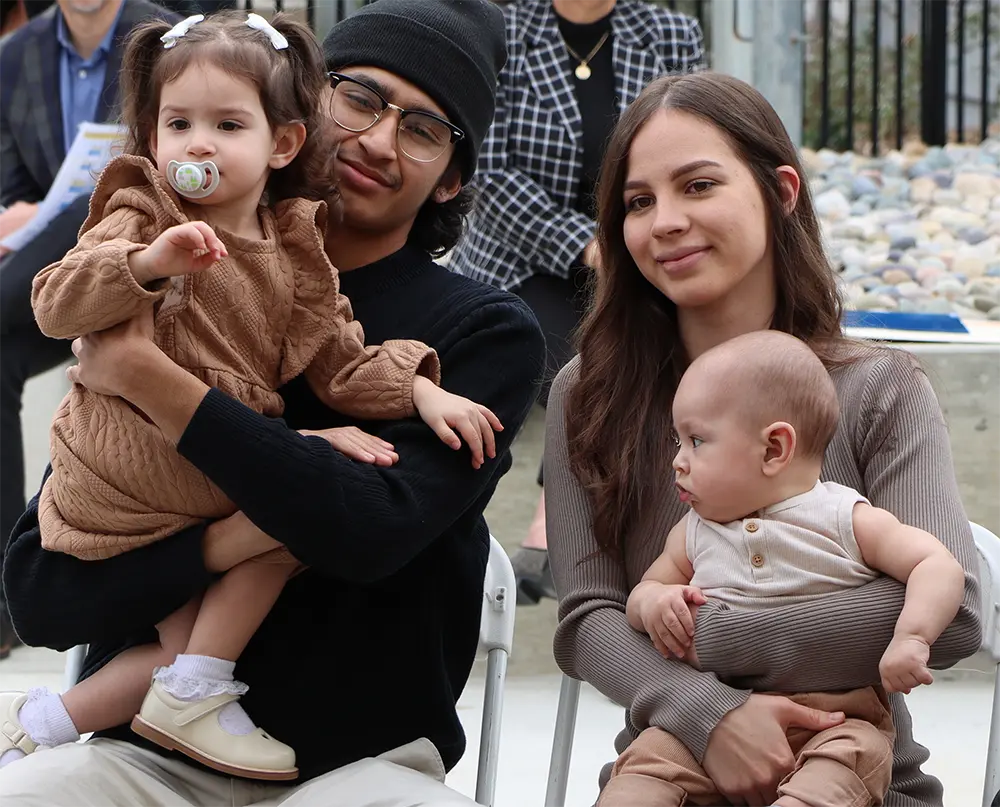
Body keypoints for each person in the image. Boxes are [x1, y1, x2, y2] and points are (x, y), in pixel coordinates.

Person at [1, 0, 545, 803]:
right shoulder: (167, 245)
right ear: (305, 106)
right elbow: (43, 590)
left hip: (359, 762)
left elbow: (367, 528)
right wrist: (243, 523)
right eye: (358, 96)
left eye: (425, 129)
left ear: (453, 177)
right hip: (144, 759)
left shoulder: (484, 333)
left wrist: (148, 377)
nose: (378, 140)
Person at [544, 71, 982, 807]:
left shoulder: (881, 388)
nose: (666, 222)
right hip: (668, 771)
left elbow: (955, 610)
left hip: (862, 780)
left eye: (699, 185)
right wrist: (710, 716)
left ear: (781, 191)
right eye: (638, 202)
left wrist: (706, 637)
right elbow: (589, 617)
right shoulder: (588, 394)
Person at [600, 330, 965, 807]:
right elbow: (646, 589)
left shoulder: (844, 519)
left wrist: (912, 636)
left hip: (837, 724)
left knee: (848, 765)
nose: (677, 462)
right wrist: (655, 603)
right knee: (644, 769)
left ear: (774, 449)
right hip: (709, 727)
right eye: (677, 440)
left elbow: (937, 563)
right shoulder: (693, 531)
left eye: (696, 441)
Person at [448, 0, 704, 604]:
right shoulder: (505, 31)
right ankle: (553, 528)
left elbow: (695, 147)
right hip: (522, 256)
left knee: (650, 324)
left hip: (640, 244)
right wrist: (587, 246)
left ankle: (546, 525)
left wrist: (626, 239)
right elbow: (488, 167)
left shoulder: (670, 33)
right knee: (580, 346)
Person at [0, 0, 181, 659]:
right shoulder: (16, 57)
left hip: (145, 260)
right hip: (52, 276)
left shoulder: (161, 36)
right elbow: (13, 181)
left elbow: (153, 167)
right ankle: (6, 594)